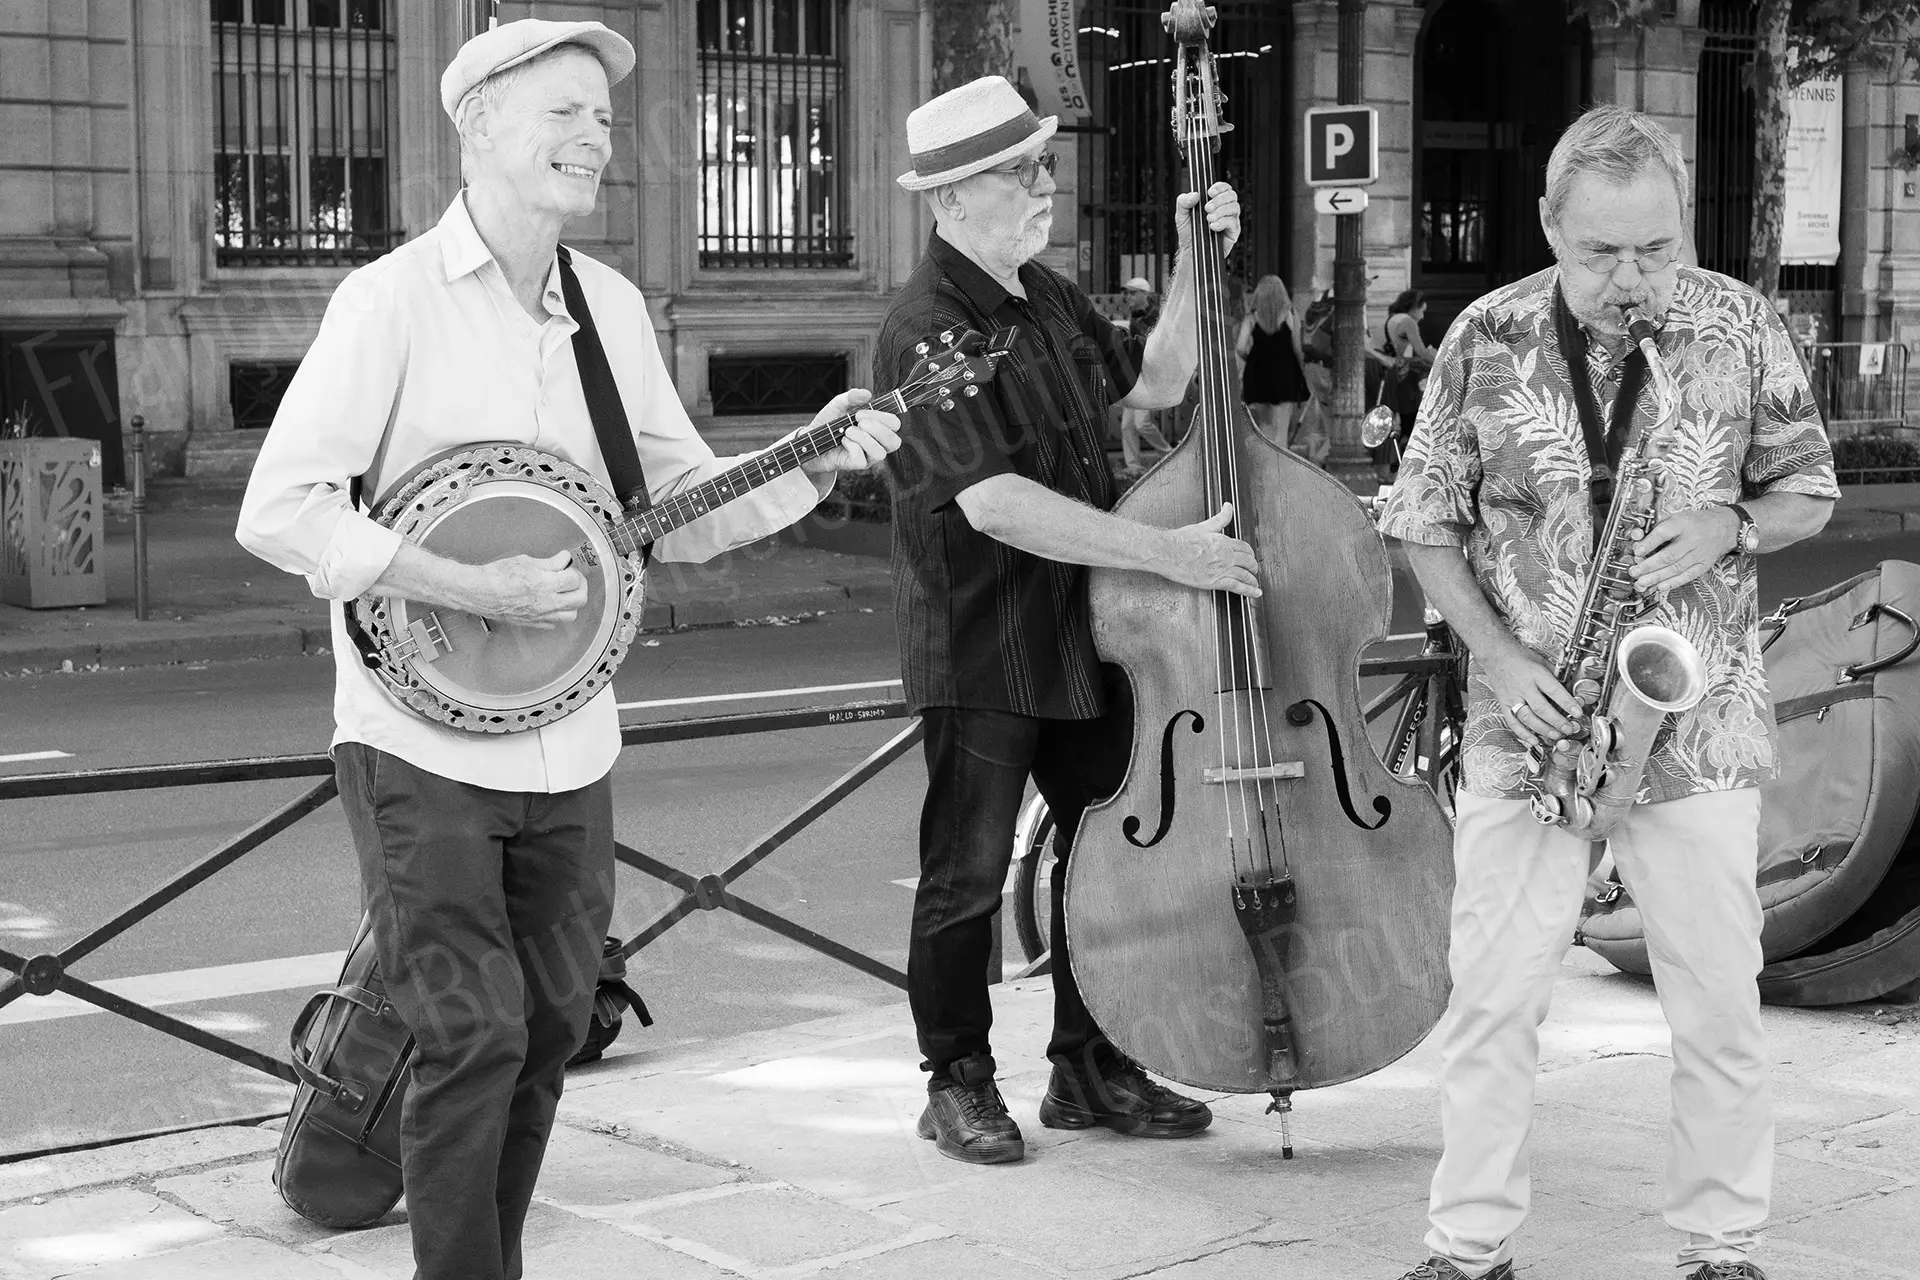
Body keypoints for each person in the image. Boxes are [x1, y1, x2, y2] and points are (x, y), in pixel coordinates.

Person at [234, 21, 900, 1280]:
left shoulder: (612, 310)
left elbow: (678, 507)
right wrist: (462, 581)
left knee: (546, 1026)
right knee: (470, 1031)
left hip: (572, 741)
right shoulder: (388, 302)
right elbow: (281, 509)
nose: (597, 136)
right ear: (479, 123)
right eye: (565, 111)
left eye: (603, 115)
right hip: (417, 744)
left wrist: (812, 457)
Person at [1377, 104, 1837, 1280]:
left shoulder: (1741, 324)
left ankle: (1723, 1245)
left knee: (1719, 1003)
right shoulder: (1484, 334)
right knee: (1493, 1001)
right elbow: (1422, 523)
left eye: (1656, 248)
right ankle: (1468, 1247)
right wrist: (1500, 658)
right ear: (1548, 225)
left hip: (1695, 726)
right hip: (1528, 721)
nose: (1634, 279)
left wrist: (1733, 521)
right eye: (1602, 252)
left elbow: (1810, 491)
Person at [876, 74, 1254, 1166]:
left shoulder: (1046, 296)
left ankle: (1090, 1065)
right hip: (984, 642)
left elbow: (1158, 381)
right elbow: (994, 503)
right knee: (965, 876)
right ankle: (956, 1081)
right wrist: (1172, 554)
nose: (1046, 184)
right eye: (1019, 171)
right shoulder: (922, 330)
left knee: (1107, 857)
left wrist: (1196, 257)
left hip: (1087, 634)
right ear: (950, 197)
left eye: (1043, 163)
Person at [1235, 274, 1312, 455]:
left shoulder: (1251, 317)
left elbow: (1240, 347)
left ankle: (1265, 464)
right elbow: (1297, 348)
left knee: (1264, 427)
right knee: (1281, 429)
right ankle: (1279, 465)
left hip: (1258, 374)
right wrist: (1301, 371)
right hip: (1284, 373)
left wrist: (1252, 359)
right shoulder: (1290, 314)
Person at [1369, 289, 1437, 480]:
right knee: (1399, 421)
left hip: (1385, 370)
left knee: (1388, 420)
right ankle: (1392, 468)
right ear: (1414, 307)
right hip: (1396, 374)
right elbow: (1422, 352)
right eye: (1422, 311)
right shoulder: (1408, 321)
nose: (1422, 316)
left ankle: (1386, 466)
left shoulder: (1393, 318)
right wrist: (1441, 359)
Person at [1116, 276, 1176, 475]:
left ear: (1145, 294)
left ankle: (1169, 454)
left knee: (1141, 423)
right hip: (1135, 373)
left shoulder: (1156, 315)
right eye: (1127, 293)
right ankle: (1133, 466)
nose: (1128, 296)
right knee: (1127, 425)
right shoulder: (1136, 314)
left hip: (1150, 374)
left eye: (1133, 292)